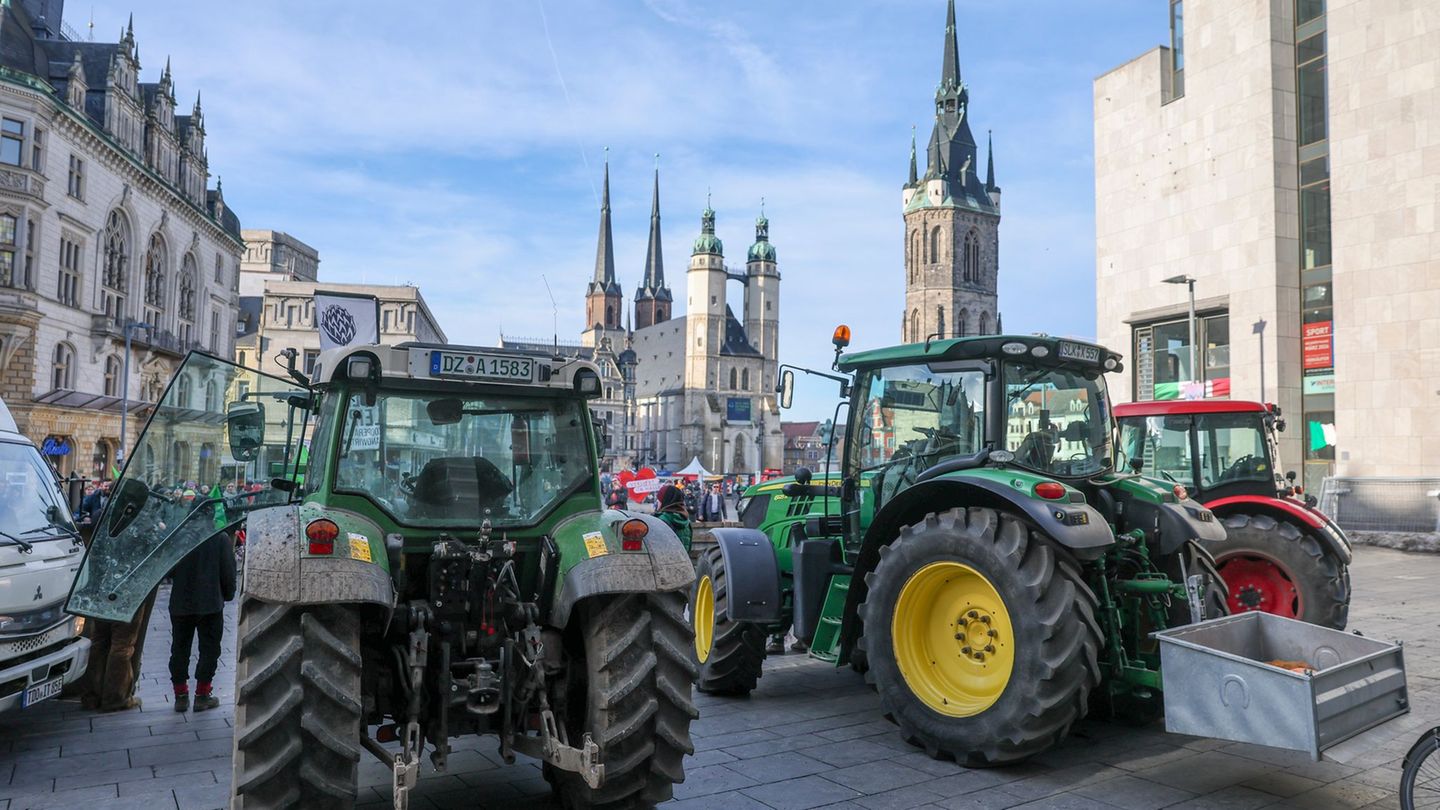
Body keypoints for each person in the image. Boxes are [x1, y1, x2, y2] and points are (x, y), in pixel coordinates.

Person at [167, 527, 236, 712]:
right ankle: (202, 695)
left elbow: (168, 570)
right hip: (210, 603)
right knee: (210, 650)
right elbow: (228, 570)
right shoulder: (220, 538)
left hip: (181, 603)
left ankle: (180, 696)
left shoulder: (177, 537)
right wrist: (228, 594)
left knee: (179, 649)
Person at [654, 483, 692, 551]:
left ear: (665, 500)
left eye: (659, 499)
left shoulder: (663, 520)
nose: (657, 501)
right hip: (684, 560)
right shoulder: (686, 520)